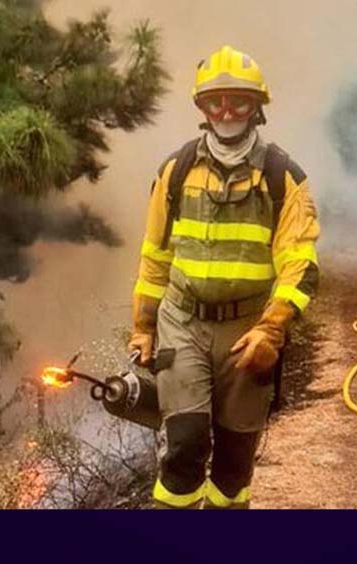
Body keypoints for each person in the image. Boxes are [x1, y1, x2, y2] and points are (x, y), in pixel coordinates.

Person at [129, 45, 320, 509]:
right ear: (202, 107)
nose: (227, 111)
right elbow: (155, 256)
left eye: (239, 101)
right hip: (182, 322)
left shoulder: (283, 177)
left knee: (235, 459)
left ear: (257, 107)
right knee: (185, 445)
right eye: (216, 102)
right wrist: (143, 326)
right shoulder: (175, 171)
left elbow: (300, 263)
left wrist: (272, 329)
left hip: (247, 330)